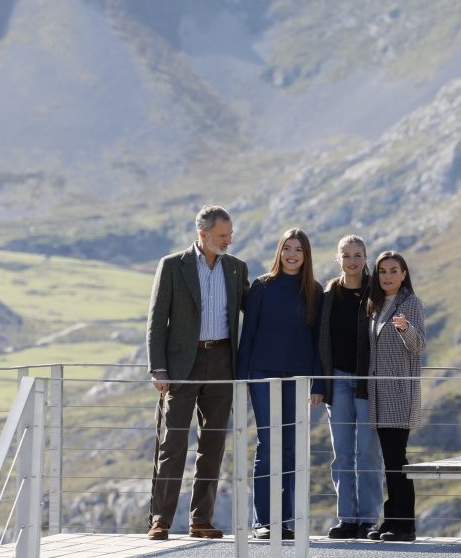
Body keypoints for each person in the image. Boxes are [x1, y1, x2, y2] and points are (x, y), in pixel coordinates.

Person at [146, 205, 249, 541]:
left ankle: (200, 520)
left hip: (222, 362)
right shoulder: (172, 266)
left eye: (230, 235)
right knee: (172, 443)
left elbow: (257, 311)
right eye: (222, 236)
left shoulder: (236, 269)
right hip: (180, 367)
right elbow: (156, 321)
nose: (228, 241)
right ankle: (160, 520)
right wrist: (158, 368)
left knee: (213, 445)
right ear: (202, 234)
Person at [236, 227, 326, 540]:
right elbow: (248, 335)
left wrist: (317, 384)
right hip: (262, 375)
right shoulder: (261, 286)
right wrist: (241, 378)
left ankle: (284, 521)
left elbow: (318, 343)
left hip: (298, 378)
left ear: (306, 255)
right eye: (287, 248)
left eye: (298, 250)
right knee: (268, 444)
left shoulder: (315, 291)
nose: (292, 255)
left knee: (289, 447)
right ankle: (263, 521)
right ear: (279, 251)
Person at [317, 235, 382, 539]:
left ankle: (368, 519)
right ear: (338, 258)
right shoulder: (329, 293)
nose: (352, 261)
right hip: (338, 380)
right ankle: (347, 519)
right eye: (346, 255)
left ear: (366, 258)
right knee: (342, 453)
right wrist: (320, 383)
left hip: (369, 382)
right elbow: (319, 341)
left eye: (358, 255)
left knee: (368, 452)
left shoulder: (377, 292)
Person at [365, 250, 426, 542]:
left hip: (399, 393)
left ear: (404, 274)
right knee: (390, 460)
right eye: (383, 271)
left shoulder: (410, 303)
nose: (388, 276)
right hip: (379, 394)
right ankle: (391, 521)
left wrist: (405, 328)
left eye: (393, 271)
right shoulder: (376, 305)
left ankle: (405, 526)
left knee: (397, 459)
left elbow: (418, 346)